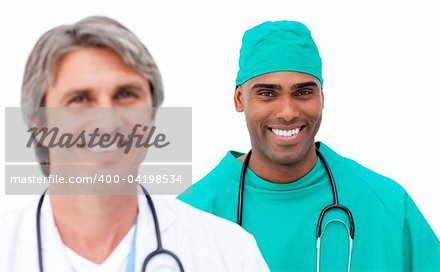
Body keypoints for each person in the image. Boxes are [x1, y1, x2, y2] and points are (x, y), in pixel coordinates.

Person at [0, 16, 269, 272]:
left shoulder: (229, 254)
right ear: (40, 125)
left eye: (126, 95)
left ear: (151, 117)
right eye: (80, 99)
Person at [179, 20, 440, 271]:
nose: (287, 112)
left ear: (321, 97)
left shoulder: (385, 203)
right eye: (267, 93)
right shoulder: (189, 216)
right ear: (240, 99)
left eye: (303, 92)